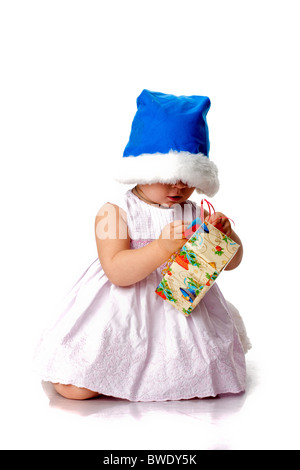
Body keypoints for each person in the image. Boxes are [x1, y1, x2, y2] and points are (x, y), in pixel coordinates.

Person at [34, 90, 251, 401]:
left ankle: (164, 378)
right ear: (144, 169)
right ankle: (113, 371)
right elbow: (117, 271)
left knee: (205, 373)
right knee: (74, 388)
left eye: (187, 178)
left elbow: (231, 262)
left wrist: (228, 238)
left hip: (181, 313)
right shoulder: (115, 213)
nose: (179, 186)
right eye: (170, 176)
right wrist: (161, 249)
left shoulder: (194, 212)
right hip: (124, 312)